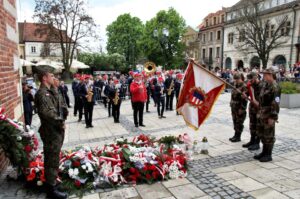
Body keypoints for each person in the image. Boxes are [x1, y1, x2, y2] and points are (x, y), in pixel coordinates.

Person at [34, 67, 68, 199]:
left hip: (56, 130)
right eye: (51, 75)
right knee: (51, 159)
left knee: (55, 158)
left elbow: (60, 104)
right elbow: (48, 113)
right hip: (50, 131)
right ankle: (51, 190)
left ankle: (54, 182)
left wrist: (54, 87)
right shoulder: (42, 94)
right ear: (44, 78)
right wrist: (61, 122)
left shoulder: (51, 91)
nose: (54, 78)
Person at [253, 68, 281, 162]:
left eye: (266, 74)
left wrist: (273, 117)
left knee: (269, 135)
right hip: (262, 113)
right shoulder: (265, 84)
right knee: (262, 133)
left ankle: (268, 154)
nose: (264, 76)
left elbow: (275, 103)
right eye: (264, 74)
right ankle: (264, 152)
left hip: (269, 114)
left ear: (271, 75)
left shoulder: (275, 86)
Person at [243, 72, 263, 151]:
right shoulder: (251, 85)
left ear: (256, 78)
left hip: (259, 108)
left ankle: (257, 143)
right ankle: (252, 140)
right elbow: (247, 93)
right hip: (252, 108)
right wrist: (245, 94)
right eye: (249, 80)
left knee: (258, 126)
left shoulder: (262, 86)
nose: (250, 81)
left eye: (251, 79)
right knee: (252, 125)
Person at [229, 73, 248, 142]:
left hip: (239, 107)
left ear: (241, 78)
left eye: (237, 79)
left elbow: (245, 99)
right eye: (235, 79)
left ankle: (238, 136)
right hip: (234, 106)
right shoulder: (235, 85)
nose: (236, 80)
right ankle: (235, 135)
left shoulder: (244, 86)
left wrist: (242, 108)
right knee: (235, 121)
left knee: (239, 122)